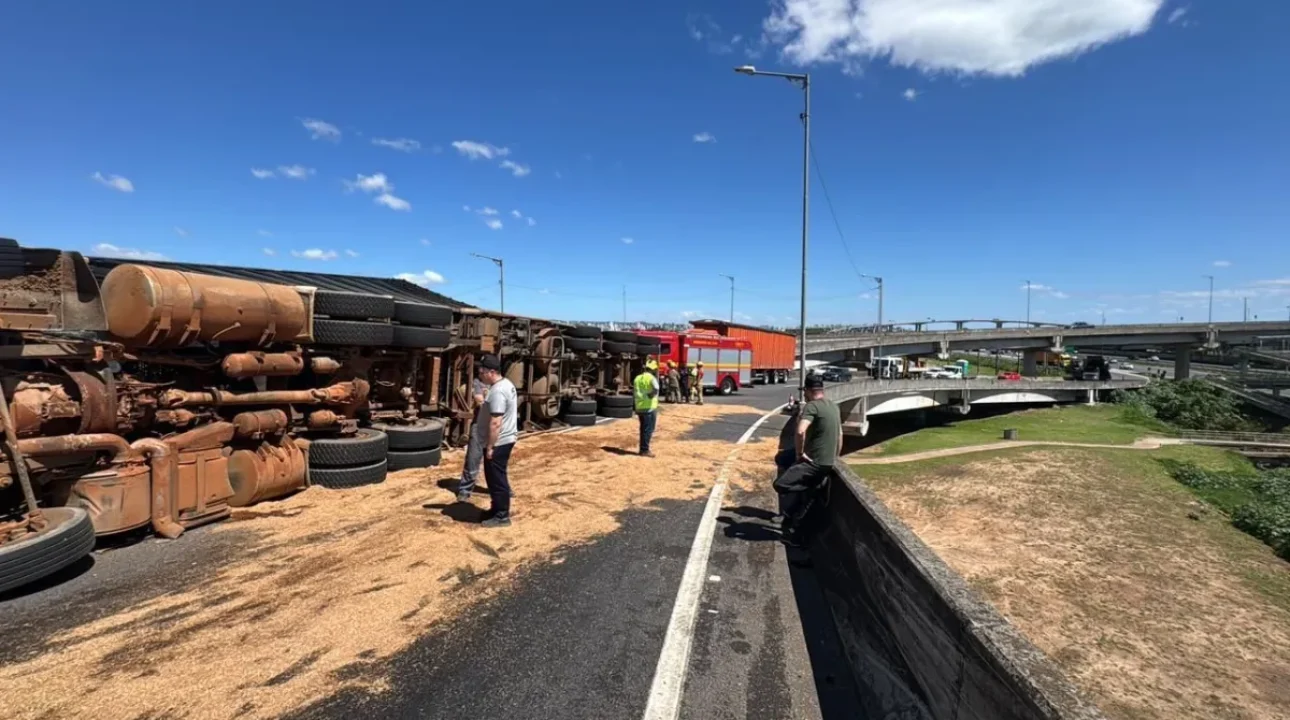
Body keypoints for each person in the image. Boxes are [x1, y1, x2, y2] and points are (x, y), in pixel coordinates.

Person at [773, 375, 841, 546]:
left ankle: (811, 487)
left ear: (809, 392)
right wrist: (835, 458)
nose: (804, 395)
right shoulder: (833, 406)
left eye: (805, 392)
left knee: (780, 484)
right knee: (781, 458)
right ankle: (791, 512)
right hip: (827, 462)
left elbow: (800, 431)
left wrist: (799, 454)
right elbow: (840, 436)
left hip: (814, 463)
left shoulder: (812, 407)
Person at [477, 354, 518, 527]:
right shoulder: (506, 384)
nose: (480, 374)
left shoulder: (498, 391)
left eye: (482, 371)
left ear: (492, 372)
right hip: (504, 439)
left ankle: (502, 516)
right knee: (493, 478)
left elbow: (495, 422)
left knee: (497, 479)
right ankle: (496, 509)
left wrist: (490, 446)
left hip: (499, 442)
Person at [455, 376, 489, 502]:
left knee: (496, 462)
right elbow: (479, 401)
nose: (482, 372)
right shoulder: (478, 382)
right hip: (479, 425)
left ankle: (499, 488)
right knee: (473, 458)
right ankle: (465, 490)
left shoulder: (502, 384)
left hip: (496, 426)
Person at [634, 361, 660, 457]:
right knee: (648, 429)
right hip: (649, 407)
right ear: (653, 369)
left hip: (639, 406)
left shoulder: (637, 378)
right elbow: (656, 388)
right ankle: (644, 450)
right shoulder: (651, 378)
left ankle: (643, 448)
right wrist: (651, 395)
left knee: (643, 429)